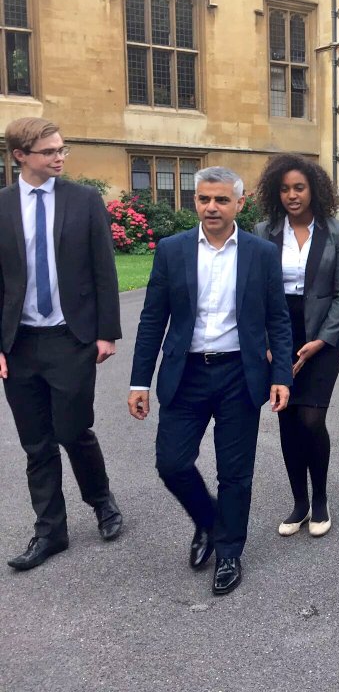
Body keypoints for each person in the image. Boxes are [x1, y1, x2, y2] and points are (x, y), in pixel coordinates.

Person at [128, 167, 292, 596]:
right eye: (204, 199)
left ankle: (229, 550)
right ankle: (208, 520)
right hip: (187, 374)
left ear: (240, 203)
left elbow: (278, 319)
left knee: (235, 473)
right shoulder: (172, 250)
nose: (211, 207)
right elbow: (151, 320)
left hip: (241, 373)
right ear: (195, 201)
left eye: (221, 200)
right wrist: (138, 381)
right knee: (172, 462)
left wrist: (281, 376)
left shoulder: (261, 253)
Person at [0, 117, 123, 571]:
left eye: (61, 149)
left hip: (70, 338)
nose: (59, 157)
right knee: (36, 443)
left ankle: (102, 500)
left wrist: (106, 332)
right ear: (19, 157)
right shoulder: (2, 206)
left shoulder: (83, 200)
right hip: (19, 343)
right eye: (49, 152)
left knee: (72, 431)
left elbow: (103, 269)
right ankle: (50, 531)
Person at [254, 155, 339, 539]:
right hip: (279, 332)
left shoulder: (335, 231)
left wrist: (322, 339)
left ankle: (320, 500)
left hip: (323, 336)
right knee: (287, 419)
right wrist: (266, 343)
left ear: (314, 189)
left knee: (311, 419)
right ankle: (298, 501)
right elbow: (254, 293)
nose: (292, 195)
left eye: (299, 187)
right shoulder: (264, 231)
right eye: (284, 189)